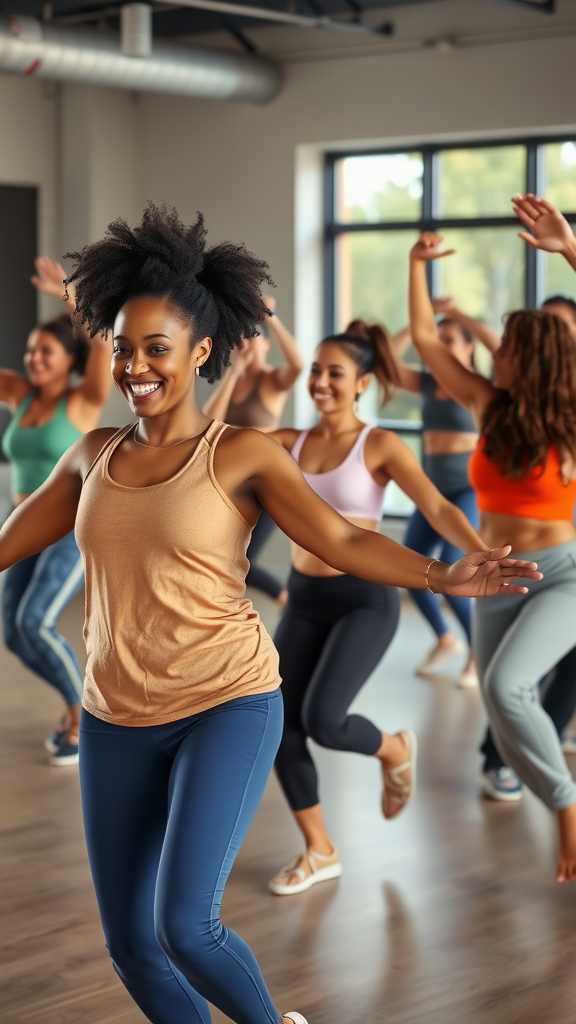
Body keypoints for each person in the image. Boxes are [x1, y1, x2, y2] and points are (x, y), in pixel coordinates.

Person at [0, 204, 540, 1024]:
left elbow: (338, 538)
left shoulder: (242, 454)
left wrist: (443, 575)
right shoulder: (93, 454)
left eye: (156, 349)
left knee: (185, 925)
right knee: (131, 948)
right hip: (115, 715)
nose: (135, 367)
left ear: (202, 350)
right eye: (122, 348)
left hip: (225, 701)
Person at [267, 324, 495, 896]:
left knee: (324, 720)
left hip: (363, 600)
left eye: (334, 373)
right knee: (280, 728)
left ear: (363, 383)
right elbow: (213, 441)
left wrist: (477, 553)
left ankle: (394, 748)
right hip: (305, 597)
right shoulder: (286, 441)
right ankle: (319, 850)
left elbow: (438, 506)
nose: (319, 382)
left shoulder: (378, 445)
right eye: (315, 371)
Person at [408, 215, 576, 884]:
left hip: (564, 573)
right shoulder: (487, 404)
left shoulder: (571, 416)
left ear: (531, 356)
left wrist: (568, 248)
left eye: (504, 343)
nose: (490, 350)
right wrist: (415, 265)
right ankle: (555, 802)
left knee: (507, 686)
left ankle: (566, 811)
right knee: (501, 713)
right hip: (497, 572)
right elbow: (424, 337)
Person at [0, 257, 111, 765]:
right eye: (29, 350)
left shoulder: (83, 401)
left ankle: (82, 714)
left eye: (45, 351)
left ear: (68, 359)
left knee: (36, 621)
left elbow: (104, 345)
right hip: (23, 520)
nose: (33, 358)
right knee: (13, 631)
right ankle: (76, 706)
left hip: (68, 527)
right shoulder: (22, 396)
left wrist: (68, 296)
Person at [389, 311, 481, 687]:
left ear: (470, 346)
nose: (441, 346)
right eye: (437, 339)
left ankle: (479, 650)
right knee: (409, 570)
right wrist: (418, 322)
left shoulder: (480, 388)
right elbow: (387, 362)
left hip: (467, 491)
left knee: (453, 572)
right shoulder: (428, 382)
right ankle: (445, 639)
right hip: (432, 491)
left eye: (451, 339)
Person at [203, 295, 303, 607]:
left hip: (267, 481)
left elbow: (298, 365)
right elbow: (210, 422)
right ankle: (283, 600)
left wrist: (271, 317)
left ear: (266, 345)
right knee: (225, 557)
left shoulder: (271, 381)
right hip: (234, 484)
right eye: (240, 337)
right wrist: (234, 372)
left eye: (252, 336)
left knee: (240, 559)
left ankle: (286, 599)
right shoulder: (232, 380)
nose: (245, 341)